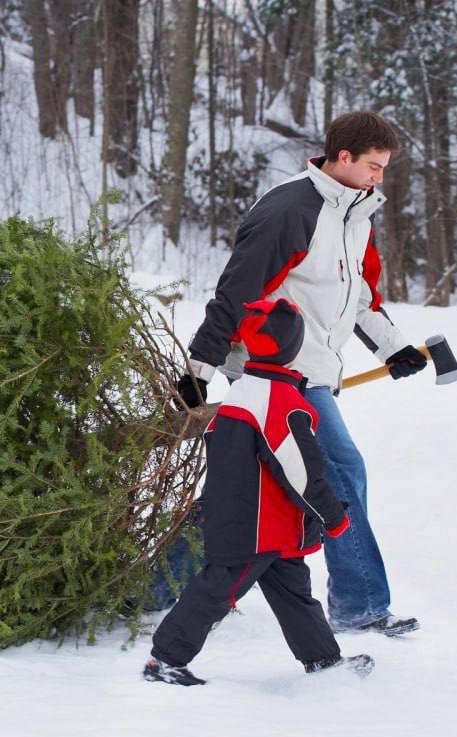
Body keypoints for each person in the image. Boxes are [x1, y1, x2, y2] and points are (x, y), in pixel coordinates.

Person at [176, 111, 424, 637]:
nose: (380, 178)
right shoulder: (291, 210)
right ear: (343, 158)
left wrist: (393, 347)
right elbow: (237, 290)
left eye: (384, 169)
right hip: (277, 372)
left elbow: (354, 295)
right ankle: (360, 606)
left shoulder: (353, 213)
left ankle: (156, 585)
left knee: (247, 486)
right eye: (373, 167)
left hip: (309, 369)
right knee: (339, 471)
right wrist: (199, 366)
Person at [144, 298, 371, 686]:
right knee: (218, 591)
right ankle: (165, 660)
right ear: (294, 348)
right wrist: (333, 517)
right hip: (256, 527)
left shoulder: (241, 393)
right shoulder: (281, 403)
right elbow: (301, 472)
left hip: (263, 525)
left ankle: (323, 659)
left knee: (295, 594)